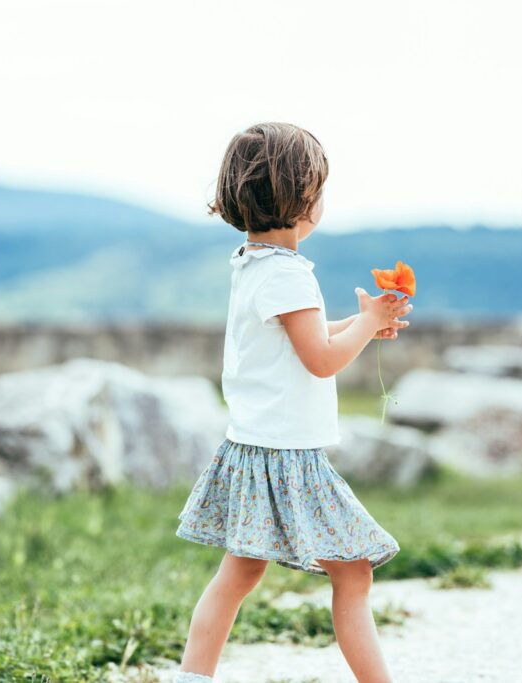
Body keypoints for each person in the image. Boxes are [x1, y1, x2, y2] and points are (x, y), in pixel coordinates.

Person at [173, 122, 411, 683]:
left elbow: (296, 337)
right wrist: (368, 322)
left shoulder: (253, 264)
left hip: (255, 448)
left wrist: (362, 323)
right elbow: (322, 359)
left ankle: (192, 677)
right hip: (288, 459)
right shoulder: (289, 275)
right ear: (303, 198)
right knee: (352, 574)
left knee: (238, 574)